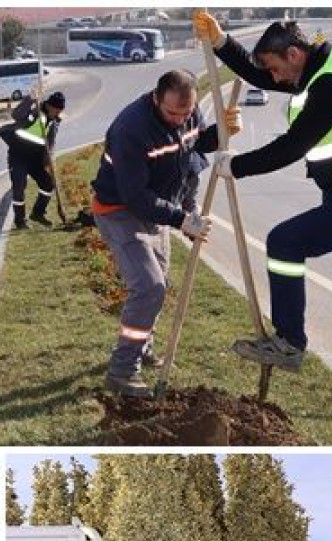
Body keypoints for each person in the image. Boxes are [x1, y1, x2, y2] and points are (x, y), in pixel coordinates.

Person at [193, 13, 332, 420]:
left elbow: (290, 147)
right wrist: (222, 42)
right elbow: (262, 78)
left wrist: (233, 166)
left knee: (284, 242)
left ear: (294, 53)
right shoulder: (318, 67)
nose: (275, 79)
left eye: (277, 67)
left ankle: (290, 342)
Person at [91, 69, 242, 398]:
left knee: (159, 283)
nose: (179, 120)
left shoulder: (188, 114)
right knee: (149, 287)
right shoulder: (130, 129)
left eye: (186, 113)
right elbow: (134, 195)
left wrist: (221, 132)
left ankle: (142, 344)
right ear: (156, 98)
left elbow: (192, 150)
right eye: (172, 113)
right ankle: (121, 370)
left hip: (159, 208)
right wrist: (180, 219)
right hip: (119, 211)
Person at [0, 90, 66, 229]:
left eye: (60, 111)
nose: (58, 113)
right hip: (18, 156)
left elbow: (50, 143)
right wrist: (30, 100)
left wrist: (49, 162)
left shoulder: (54, 122)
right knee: (19, 188)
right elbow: (16, 115)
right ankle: (20, 221)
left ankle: (38, 213)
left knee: (48, 184)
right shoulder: (35, 113)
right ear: (50, 107)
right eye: (56, 110)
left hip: (36, 159)